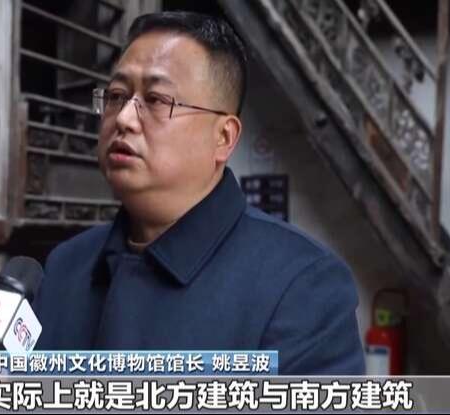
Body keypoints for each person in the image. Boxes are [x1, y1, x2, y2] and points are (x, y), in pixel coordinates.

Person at [32, 11, 365, 375]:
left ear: (223, 137)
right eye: (116, 96)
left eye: (156, 100)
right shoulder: (66, 266)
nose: (124, 118)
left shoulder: (303, 287)